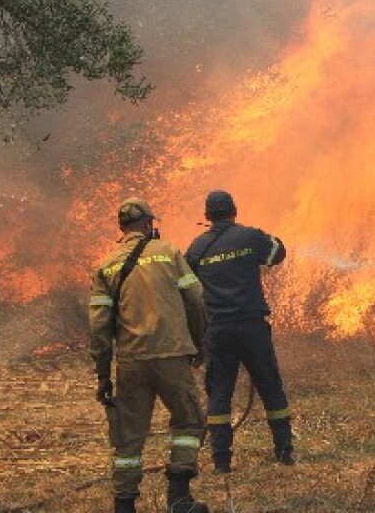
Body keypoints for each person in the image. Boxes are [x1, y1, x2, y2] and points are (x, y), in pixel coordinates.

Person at [89, 197, 210, 513]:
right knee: (188, 421)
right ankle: (179, 499)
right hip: (172, 354)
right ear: (147, 224)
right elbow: (196, 299)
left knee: (128, 437)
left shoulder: (106, 266)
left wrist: (103, 374)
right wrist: (199, 343)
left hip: (131, 361)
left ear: (122, 228)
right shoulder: (168, 253)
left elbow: (99, 326)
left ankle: (124, 504)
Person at [186, 190, 294, 472]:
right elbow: (277, 253)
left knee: (219, 393)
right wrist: (266, 240)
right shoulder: (249, 237)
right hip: (251, 327)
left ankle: (221, 460)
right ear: (234, 211)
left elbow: (188, 291)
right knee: (270, 386)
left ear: (207, 216)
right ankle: (284, 452)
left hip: (218, 330)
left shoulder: (197, 247)